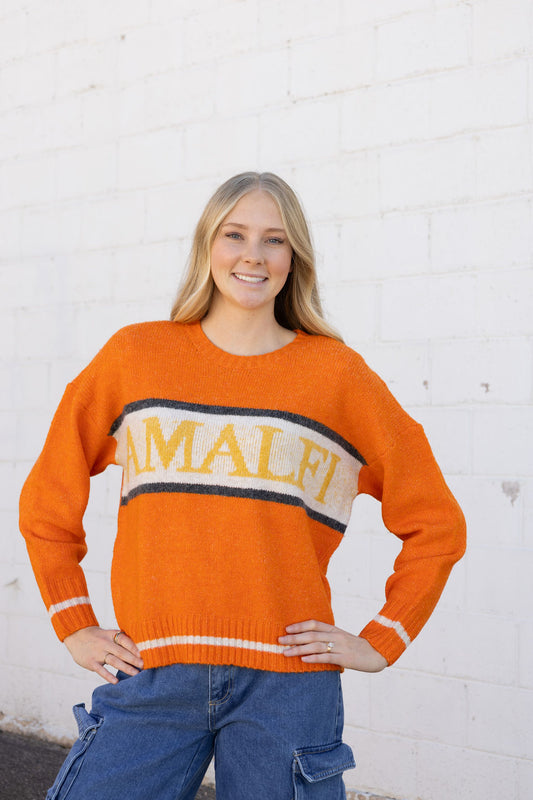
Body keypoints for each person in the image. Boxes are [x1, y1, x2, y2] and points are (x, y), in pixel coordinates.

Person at [19, 171, 466, 800]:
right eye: (235, 235)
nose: (253, 255)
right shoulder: (135, 356)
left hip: (288, 685)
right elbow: (48, 498)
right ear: (207, 244)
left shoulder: (337, 376)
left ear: (294, 257)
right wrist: (72, 621)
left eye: (274, 240)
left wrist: (382, 639)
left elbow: (437, 525)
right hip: (154, 669)